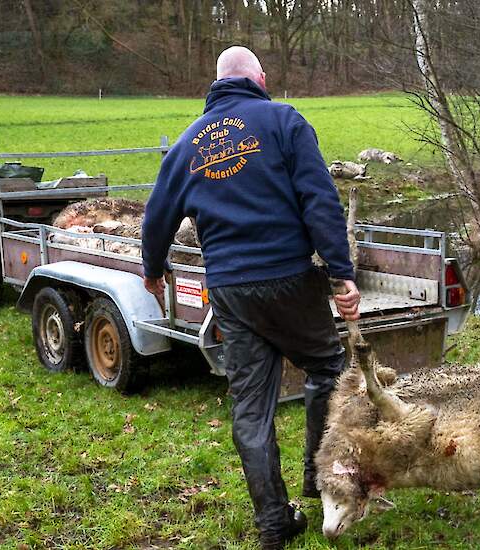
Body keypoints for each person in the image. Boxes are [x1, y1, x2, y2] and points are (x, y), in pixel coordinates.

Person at [141, 46, 361, 550]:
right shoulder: (284, 122)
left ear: (216, 83)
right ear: (259, 78)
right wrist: (341, 274)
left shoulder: (188, 144)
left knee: (251, 408)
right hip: (288, 279)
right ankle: (316, 475)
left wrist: (154, 270)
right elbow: (319, 199)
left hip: (231, 291)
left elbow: (157, 216)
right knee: (328, 367)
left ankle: (272, 523)